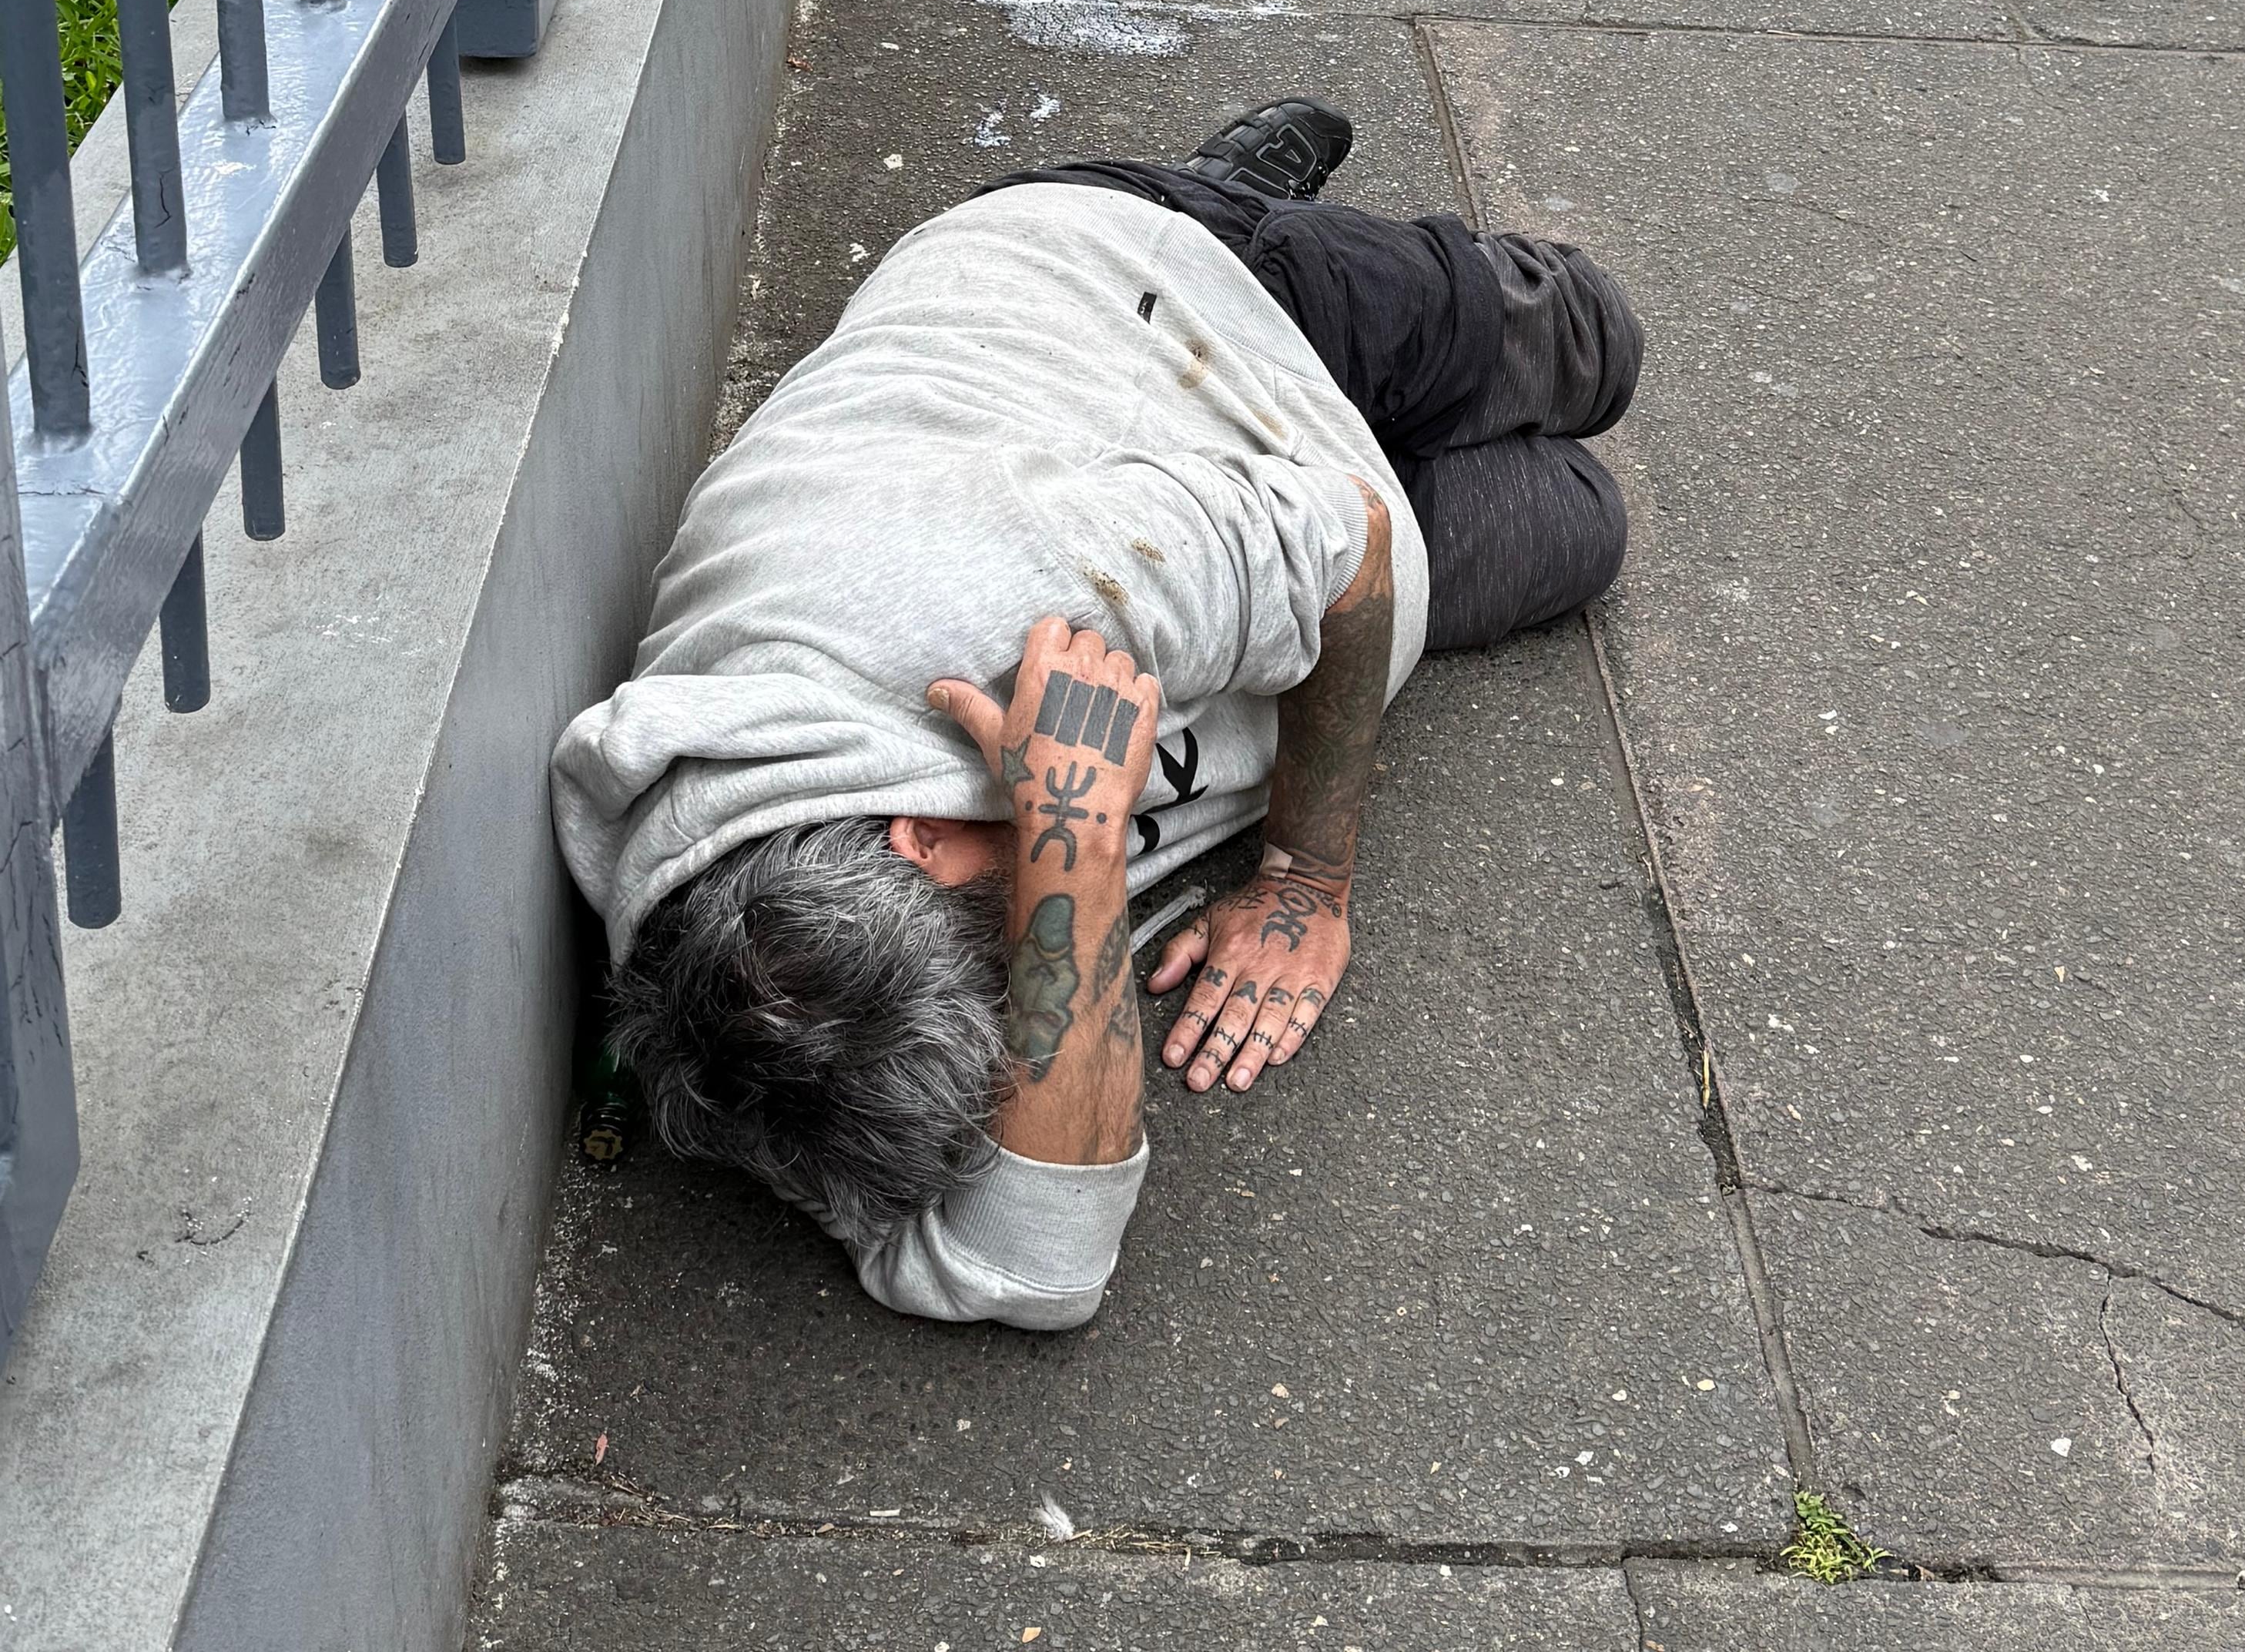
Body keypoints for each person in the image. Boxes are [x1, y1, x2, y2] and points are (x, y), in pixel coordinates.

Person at [553, 96, 1644, 1330]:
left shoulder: (1021, 597)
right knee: (1579, 519)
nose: (1041, 978)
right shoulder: (747, 983)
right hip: (1243, 499)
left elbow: (1352, 549)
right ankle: (1263, 206)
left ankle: (1236, 187)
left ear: (920, 834)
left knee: (1598, 350)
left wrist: (1300, 878)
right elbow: (1034, 1264)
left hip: (1173, 293)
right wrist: (1062, 852)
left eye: (1005, 959)